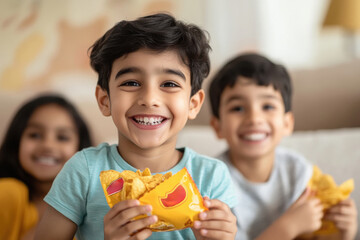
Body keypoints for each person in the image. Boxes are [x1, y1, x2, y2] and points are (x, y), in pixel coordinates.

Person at [34, 13, 238, 240]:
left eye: (169, 84)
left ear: (193, 104)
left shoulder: (210, 176)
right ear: (105, 100)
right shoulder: (83, 171)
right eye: (131, 83)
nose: (149, 98)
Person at [208, 53, 358, 240]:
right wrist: (288, 226)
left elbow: (314, 235)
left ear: (287, 123)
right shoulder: (211, 183)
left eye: (268, 106)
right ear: (217, 126)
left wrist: (343, 232)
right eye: (238, 108)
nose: (254, 118)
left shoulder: (298, 170)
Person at [0, 94, 92, 240]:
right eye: (35, 135)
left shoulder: (91, 210)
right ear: (16, 140)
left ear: (81, 149)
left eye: (62, 137)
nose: (48, 145)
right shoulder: (8, 193)